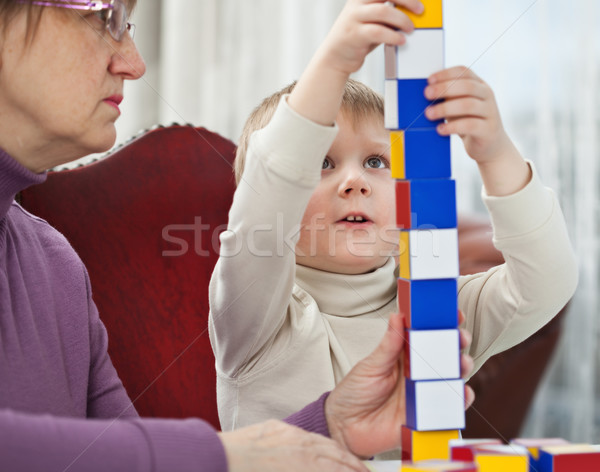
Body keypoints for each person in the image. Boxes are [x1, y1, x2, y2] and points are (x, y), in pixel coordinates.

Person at [0, 0, 464, 470]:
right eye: (106, 19)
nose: (134, 63)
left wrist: (326, 426)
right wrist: (225, 455)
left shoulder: (53, 264)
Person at [208, 0, 578, 432]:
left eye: (376, 163)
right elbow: (267, 198)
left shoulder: (438, 304)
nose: (354, 182)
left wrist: (496, 154)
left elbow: (547, 283)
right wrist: (333, 63)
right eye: (321, 163)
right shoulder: (253, 315)